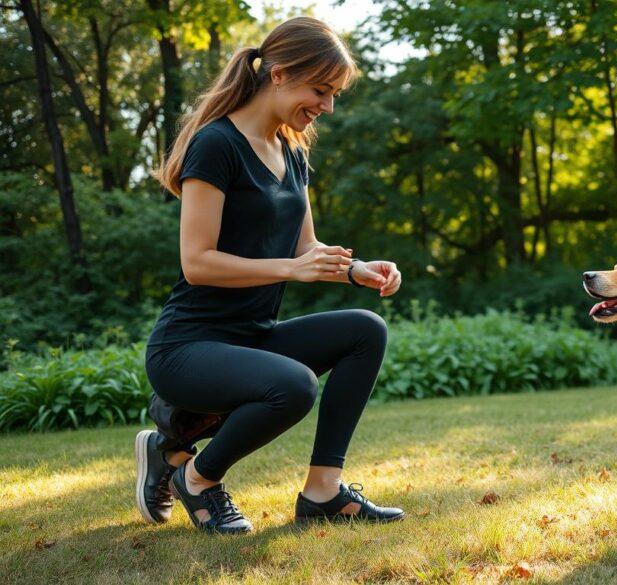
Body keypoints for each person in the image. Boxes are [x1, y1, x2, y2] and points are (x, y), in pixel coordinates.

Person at [135, 16, 404, 534]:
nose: (327, 106)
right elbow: (197, 261)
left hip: (252, 338)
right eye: (320, 91)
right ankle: (196, 478)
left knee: (366, 329)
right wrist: (292, 269)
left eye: (333, 95)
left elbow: (307, 247)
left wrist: (357, 270)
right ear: (278, 75)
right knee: (295, 386)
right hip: (187, 347)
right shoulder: (216, 145)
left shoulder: (292, 153)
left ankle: (323, 492)